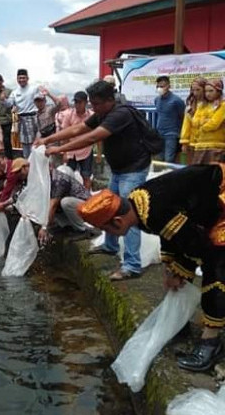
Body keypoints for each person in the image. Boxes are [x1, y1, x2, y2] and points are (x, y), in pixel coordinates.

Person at [76, 163, 225, 372]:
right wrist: (171, 268)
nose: (107, 234)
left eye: (105, 229)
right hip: (206, 196)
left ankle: (211, 341)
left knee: (215, 266)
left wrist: (179, 271)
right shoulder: (137, 206)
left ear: (118, 222)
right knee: (181, 265)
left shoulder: (153, 211)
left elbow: (198, 245)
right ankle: (181, 321)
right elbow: (170, 233)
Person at [36, 79, 150, 281]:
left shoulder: (120, 114)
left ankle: (132, 265)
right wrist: (48, 139)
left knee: (128, 213)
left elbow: (91, 137)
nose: (93, 108)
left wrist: (59, 148)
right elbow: (77, 129)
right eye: (92, 104)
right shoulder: (103, 113)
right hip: (119, 169)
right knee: (108, 207)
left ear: (109, 100)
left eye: (96, 103)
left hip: (133, 170)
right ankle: (111, 245)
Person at [38, 168, 92, 245]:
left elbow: (53, 205)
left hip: (87, 206)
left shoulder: (59, 180)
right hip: (75, 207)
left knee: (65, 202)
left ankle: (82, 230)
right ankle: (67, 226)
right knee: (50, 201)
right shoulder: (46, 180)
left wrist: (44, 227)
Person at [61, 91, 94, 190]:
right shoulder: (68, 115)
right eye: (76, 102)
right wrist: (64, 152)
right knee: (68, 176)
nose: (77, 105)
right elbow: (64, 135)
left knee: (86, 176)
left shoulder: (92, 116)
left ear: (85, 103)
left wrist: (100, 153)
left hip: (86, 150)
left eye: (80, 102)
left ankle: (86, 199)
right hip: (72, 150)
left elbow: (97, 133)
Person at [192, 79, 225, 164]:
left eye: (211, 91)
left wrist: (202, 124)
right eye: (206, 91)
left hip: (216, 146)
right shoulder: (202, 105)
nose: (208, 94)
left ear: (218, 91)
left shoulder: (222, 105)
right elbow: (194, 122)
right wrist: (206, 121)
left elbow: (214, 124)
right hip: (200, 145)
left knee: (213, 173)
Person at [6, 68, 40, 158]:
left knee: (35, 144)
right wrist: (3, 100)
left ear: (27, 78)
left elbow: (40, 102)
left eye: (23, 78)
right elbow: (8, 104)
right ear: (17, 79)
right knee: (25, 145)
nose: (21, 80)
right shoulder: (15, 92)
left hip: (33, 117)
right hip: (21, 119)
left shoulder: (34, 89)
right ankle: (27, 164)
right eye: (19, 78)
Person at [154, 75, 185, 163]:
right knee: (159, 159)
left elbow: (182, 117)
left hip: (172, 134)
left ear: (169, 86)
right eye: (158, 86)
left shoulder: (177, 101)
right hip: (160, 133)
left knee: (169, 159)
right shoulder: (157, 100)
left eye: (162, 86)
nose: (159, 88)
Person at [179, 78, 208, 164]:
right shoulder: (190, 106)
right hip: (192, 143)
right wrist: (184, 142)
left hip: (206, 143)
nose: (195, 93)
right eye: (193, 90)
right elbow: (186, 125)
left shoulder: (211, 105)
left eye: (198, 90)